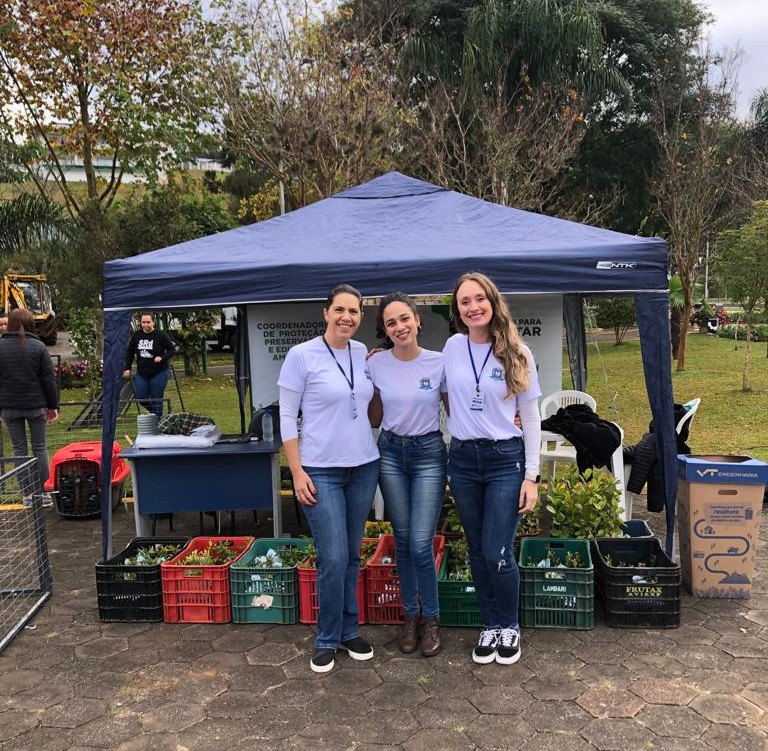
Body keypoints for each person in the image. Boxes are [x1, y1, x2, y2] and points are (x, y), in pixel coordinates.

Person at [278, 283, 380, 673]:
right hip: (320, 469)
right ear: (326, 313)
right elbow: (287, 416)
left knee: (352, 554)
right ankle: (326, 638)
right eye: (340, 310)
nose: (347, 317)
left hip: (363, 466)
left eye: (354, 311)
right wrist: (297, 469)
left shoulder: (361, 354)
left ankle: (349, 631)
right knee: (333, 556)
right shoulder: (301, 356)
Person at [443, 272, 541, 666]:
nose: (473, 307)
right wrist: (378, 357)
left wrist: (532, 477)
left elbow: (531, 417)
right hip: (464, 461)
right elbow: (438, 387)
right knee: (477, 550)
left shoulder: (518, 352)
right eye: (464, 301)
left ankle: (509, 625)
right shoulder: (451, 347)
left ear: (493, 301)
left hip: (505, 461)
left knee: (497, 550)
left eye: (479, 298)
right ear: (458, 309)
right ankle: (489, 625)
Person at [367, 292, 448, 657]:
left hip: (429, 453)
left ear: (417, 320)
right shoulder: (376, 364)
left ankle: (431, 619)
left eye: (404, 319)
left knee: (419, 542)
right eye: (390, 322)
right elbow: (374, 419)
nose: (399, 327)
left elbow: (457, 410)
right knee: (402, 542)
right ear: (385, 330)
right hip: (391, 453)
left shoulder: (439, 363)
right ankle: (410, 618)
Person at [0, 308, 59, 507]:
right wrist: (53, 406)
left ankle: (27, 495)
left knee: (19, 451)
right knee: (40, 449)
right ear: (30, 323)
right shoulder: (39, 347)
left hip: (10, 407)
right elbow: (48, 380)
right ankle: (44, 493)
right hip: (36, 405)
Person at [122, 312, 176, 417]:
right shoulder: (137, 335)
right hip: (142, 373)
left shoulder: (160, 335)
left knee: (156, 397)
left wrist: (162, 357)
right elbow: (129, 352)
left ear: (153, 322)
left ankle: (158, 421)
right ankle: (158, 414)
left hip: (159, 372)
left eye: (148, 322)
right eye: (143, 322)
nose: (146, 325)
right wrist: (127, 368)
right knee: (140, 397)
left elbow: (171, 350)